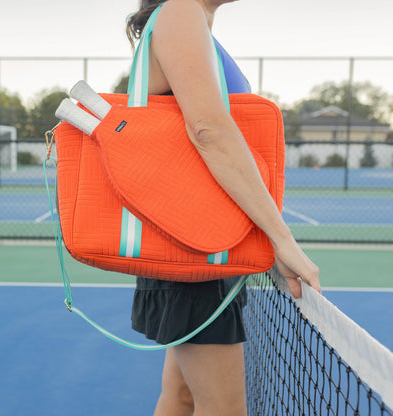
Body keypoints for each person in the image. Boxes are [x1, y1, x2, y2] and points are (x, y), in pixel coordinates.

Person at [126, 1, 321, 415]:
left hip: (202, 242)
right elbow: (207, 130)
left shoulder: (192, 22)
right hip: (195, 244)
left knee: (181, 397)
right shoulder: (180, 11)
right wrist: (280, 239)